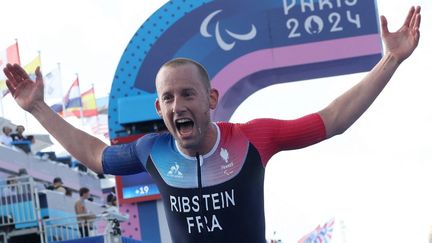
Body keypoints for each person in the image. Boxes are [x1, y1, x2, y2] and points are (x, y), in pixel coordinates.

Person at [2, 6, 421, 243]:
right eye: (168, 97)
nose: (177, 104)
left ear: (212, 100)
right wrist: (39, 109)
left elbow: (332, 119)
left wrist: (390, 60)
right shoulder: (153, 150)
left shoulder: (254, 138)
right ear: (160, 108)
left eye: (187, 94)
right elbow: (95, 154)